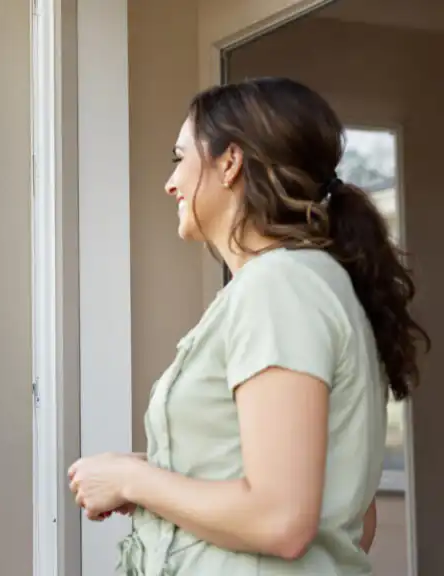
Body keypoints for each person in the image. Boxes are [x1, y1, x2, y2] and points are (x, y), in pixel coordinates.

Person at [67, 77, 430, 574]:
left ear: (230, 162)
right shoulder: (302, 284)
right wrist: (159, 481)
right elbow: (352, 521)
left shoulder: (279, 287)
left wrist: (132, 480)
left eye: (180, 158)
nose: (171, 183)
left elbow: (281, 521)